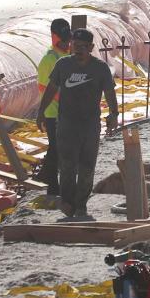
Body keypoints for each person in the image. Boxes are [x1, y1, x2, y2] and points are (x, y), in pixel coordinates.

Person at [37, 29, 118, 220]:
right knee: (67, 166)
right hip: (67, 125)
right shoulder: (63, 65)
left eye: (83, 47)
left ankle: (81, 204)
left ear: (90, 48)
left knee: (87, 167)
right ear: (71, 45)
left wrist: (114, 114)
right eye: (75, 46)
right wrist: (41, 112)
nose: (78, 50)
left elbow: (110, 93)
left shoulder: (100, 68)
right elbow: (51, 89)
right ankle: (67, 202)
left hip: (90, 126)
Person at [36, 18, 71, 202]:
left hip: (67, 112)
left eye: (68, 39)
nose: (67, 43)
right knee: (56, 149)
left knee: (61, 149)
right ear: (54, 37)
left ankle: (48, 178)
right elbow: (44, 88)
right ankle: (50, 183)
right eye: (63, 40)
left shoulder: (67, 55)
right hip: (53, 113)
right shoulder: (50, 58)